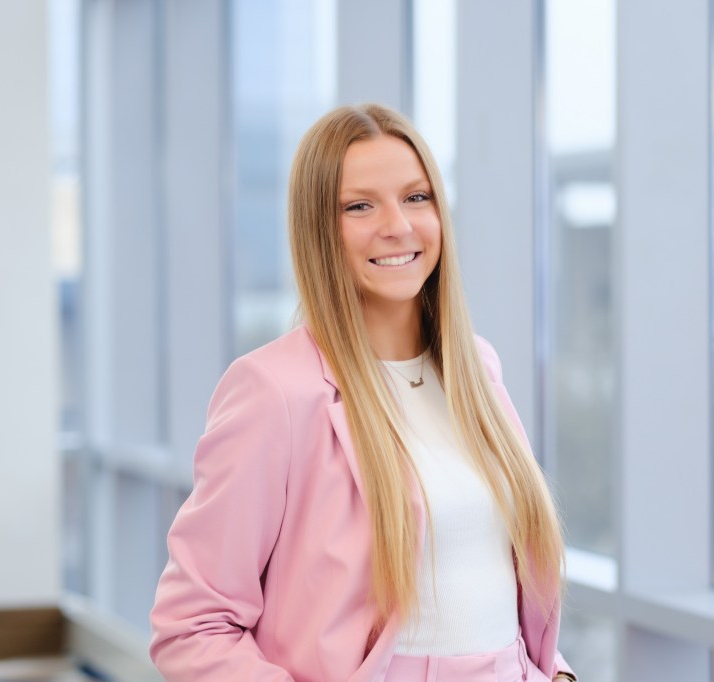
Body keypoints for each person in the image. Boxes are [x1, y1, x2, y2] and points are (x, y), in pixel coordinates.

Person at [149, 103, 576, 682]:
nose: (397, 225)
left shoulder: (477, 367)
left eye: (416, 197)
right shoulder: (272, 392)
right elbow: (192, 627)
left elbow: (492, 583)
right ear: (319, 230)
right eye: (359, 206)